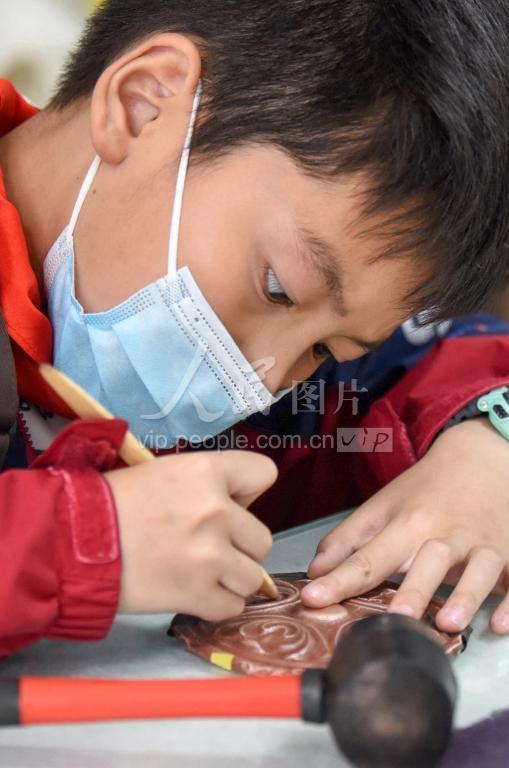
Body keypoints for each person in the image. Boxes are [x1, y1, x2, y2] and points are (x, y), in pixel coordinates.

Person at [1, 0, 509, 660]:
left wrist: (488, 440)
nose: (261, 381)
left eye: (325, 348)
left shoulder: (287, 394)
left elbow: (432, 364)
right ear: (144, 103)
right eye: (278, 287)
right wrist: (71, 541)